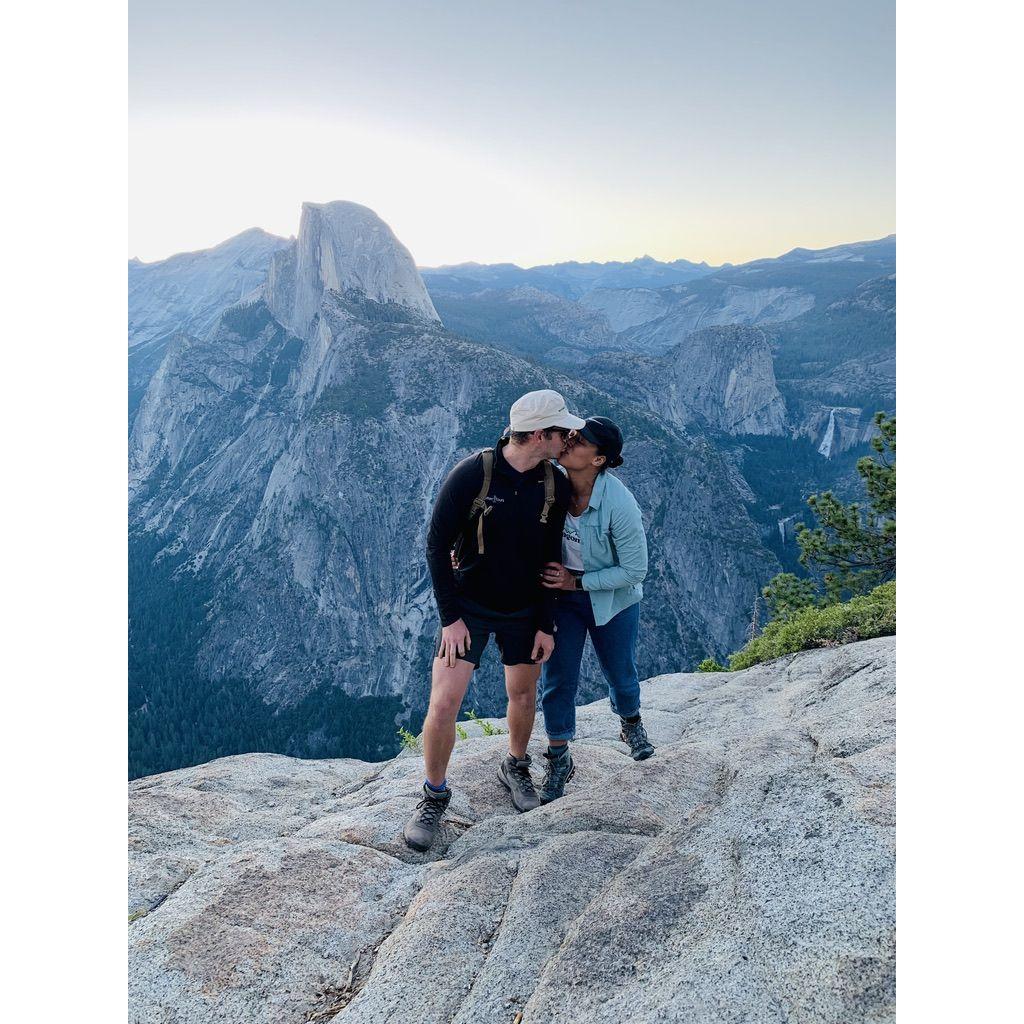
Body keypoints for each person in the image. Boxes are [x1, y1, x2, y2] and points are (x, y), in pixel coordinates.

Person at [403, 389, 579, 851]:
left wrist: (546, 623)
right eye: (562, 431)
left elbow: (550, 555)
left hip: (524, 609)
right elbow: (436, 545)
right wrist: (451, 619)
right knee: (444, 703)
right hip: (469, 607)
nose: (569, 438)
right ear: (540, 434)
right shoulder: (471, 475)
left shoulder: (555, 485)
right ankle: (433, 796)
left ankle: (515, 765)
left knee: (522, 692)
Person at [537, 415, 654, 803]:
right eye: (570, 434)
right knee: (558, 677)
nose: (569, 441)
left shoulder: (618, 502)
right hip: (562, 598)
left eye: (580, 439)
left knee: (620, 670)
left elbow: (636, 569)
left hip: (612, 599)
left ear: (599, 459)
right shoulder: (549, 482)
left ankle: (631, 723)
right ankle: (558, 757)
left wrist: (579, 581)